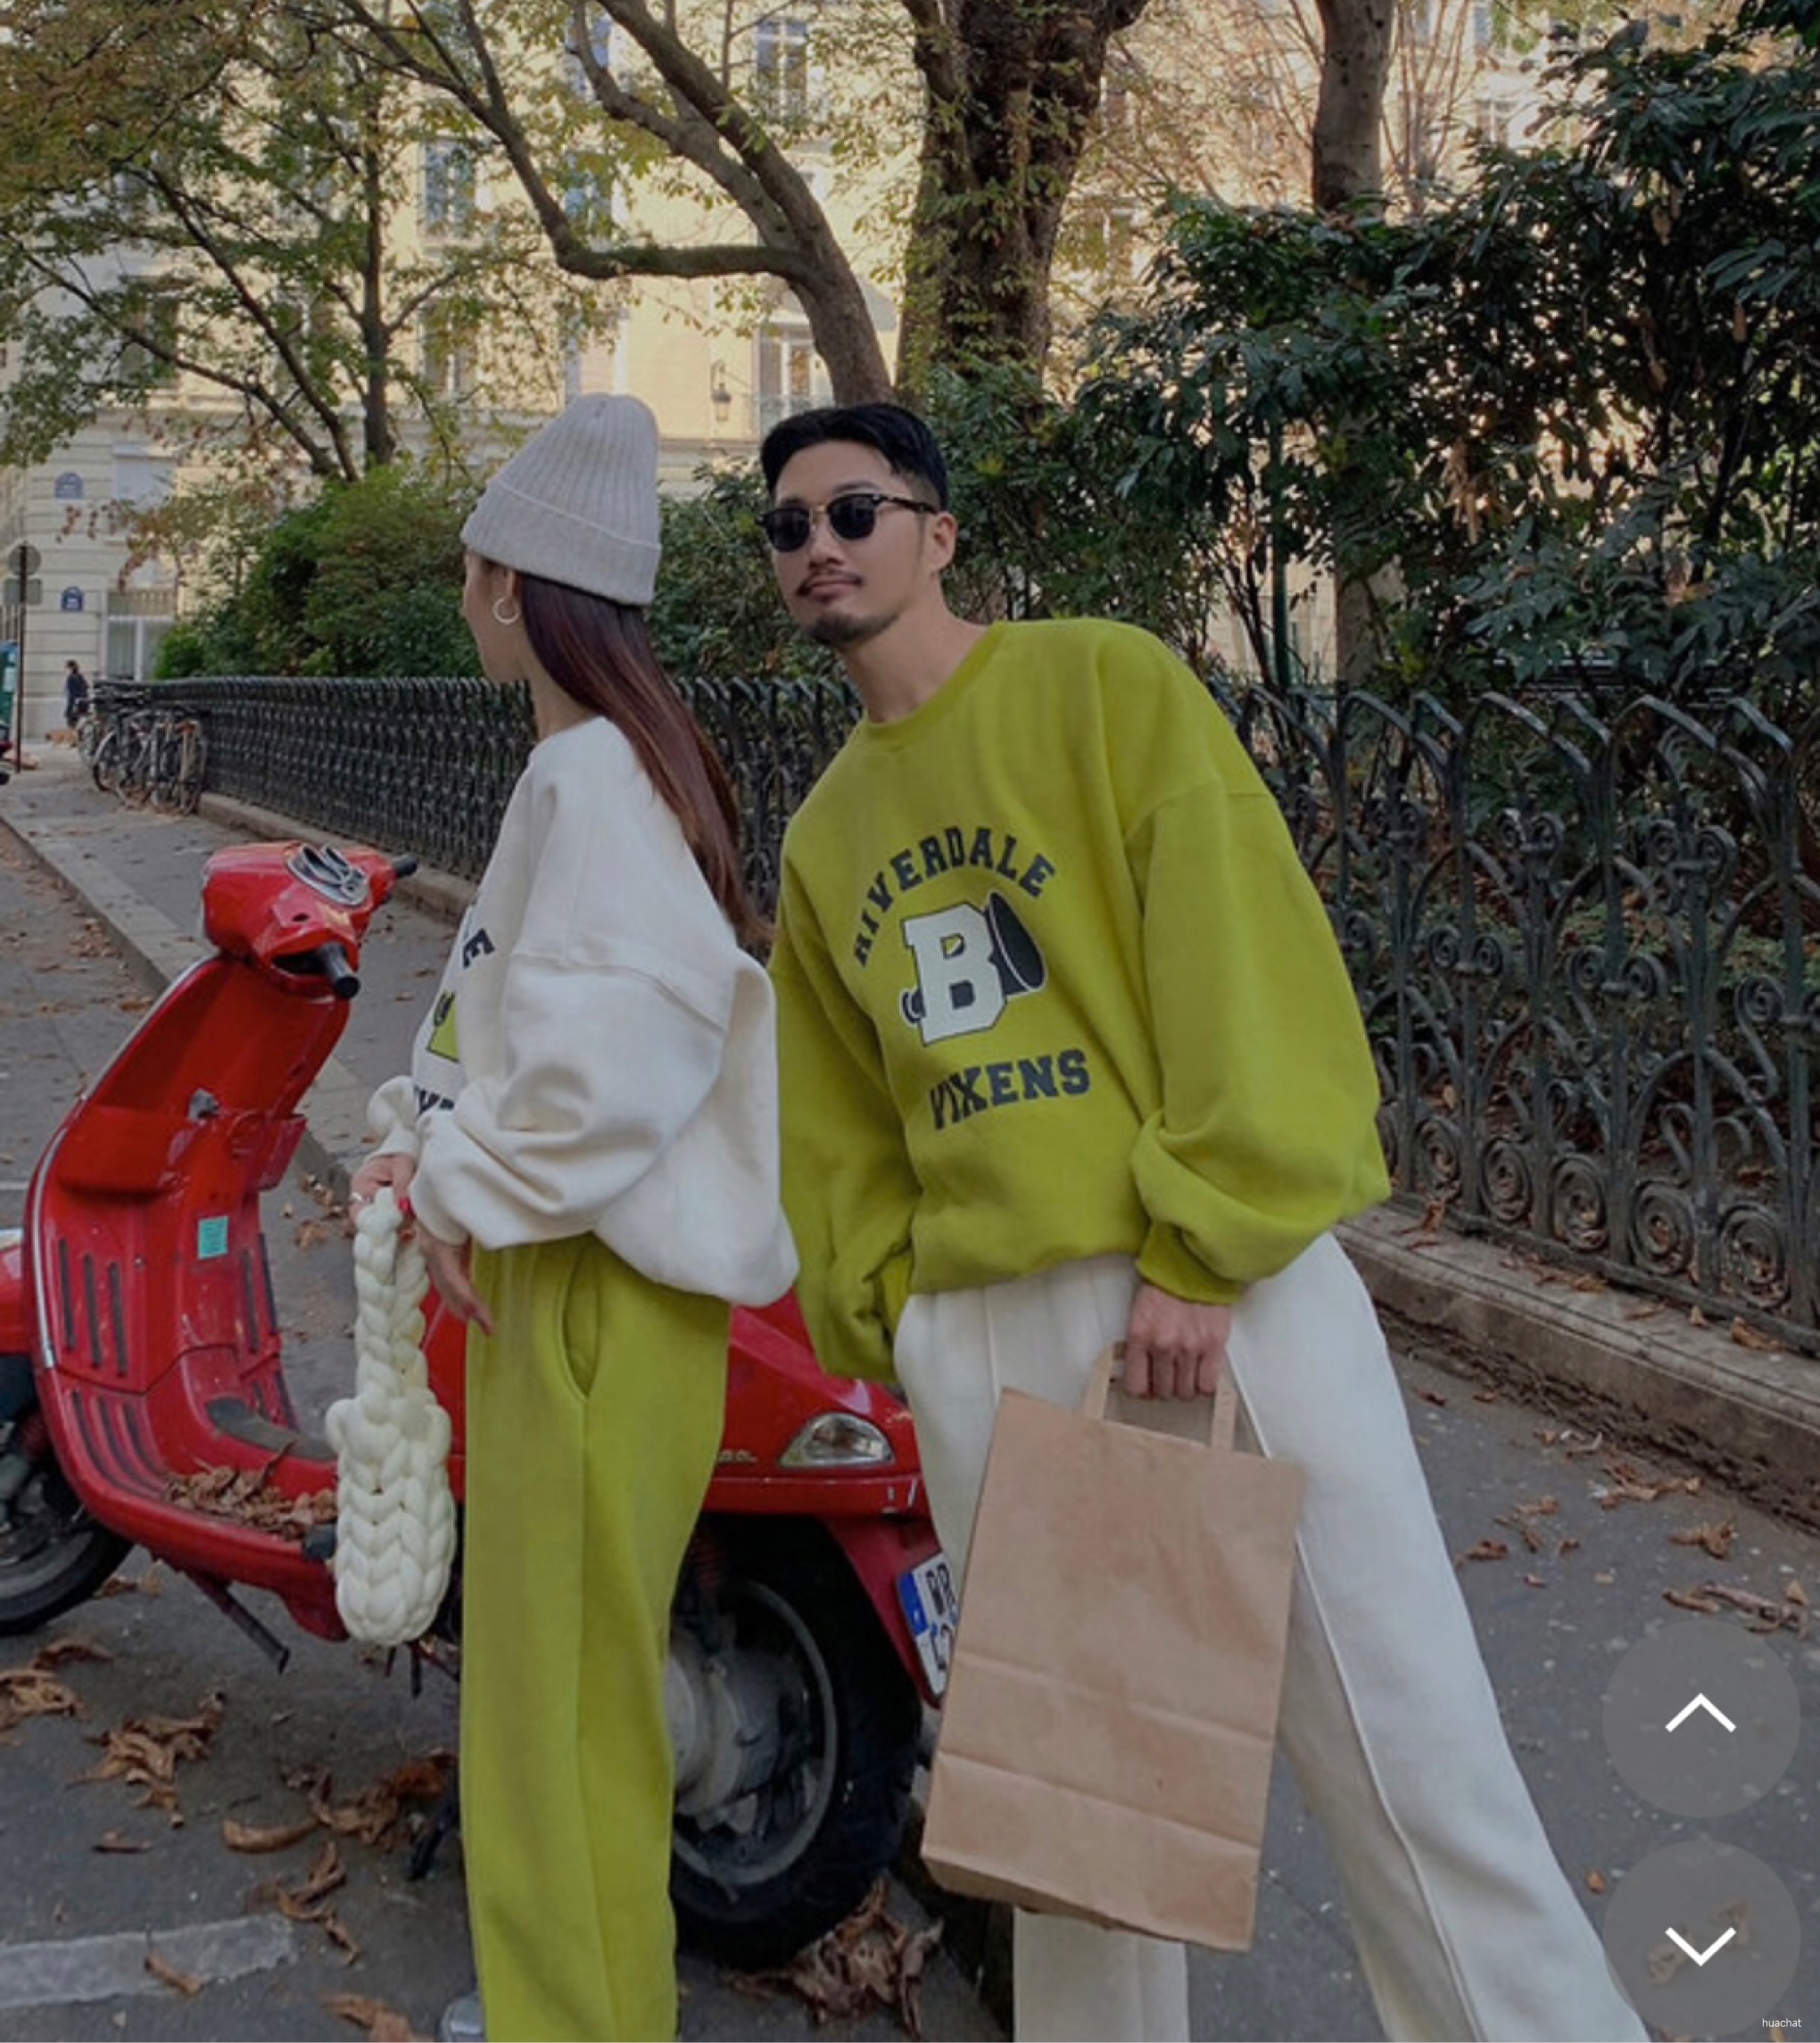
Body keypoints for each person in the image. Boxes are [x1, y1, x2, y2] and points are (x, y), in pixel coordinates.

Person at [758, 402, 1646, 2043]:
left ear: (938, 533)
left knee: (1405, 1744)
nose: (821, 545)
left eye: (854, 509)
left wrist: (1201, 1243)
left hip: (1215, 1291)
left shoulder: (1102, 685)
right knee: (1074, 1831)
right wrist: (905, 1321)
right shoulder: (823, 837)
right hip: (993, 1330)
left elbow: (1240, 956)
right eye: (790, 526)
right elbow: (836, 1121)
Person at [350, 395, 796, 2043]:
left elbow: (613, 1051)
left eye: (474, 563)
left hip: (586, 1292)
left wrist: (458, 1178)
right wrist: (428, 1142)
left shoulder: (589, 774)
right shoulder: (612, 761)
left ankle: (572, 2020)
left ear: (507, 581)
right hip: (592, 1286)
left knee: (556, 1701)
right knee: (578, 1694)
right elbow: (538, 1038)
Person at [63, 659, 88, 727]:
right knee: (79, 724)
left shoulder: (72, 678)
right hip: (82, 703)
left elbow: (72, 694)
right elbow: (85, 688)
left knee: (73, 724)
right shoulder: (80, 677)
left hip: (76, 704)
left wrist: (70, 709)